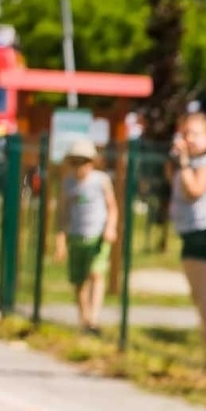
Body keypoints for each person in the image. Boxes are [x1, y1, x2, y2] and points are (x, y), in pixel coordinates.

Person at [170, 112, 206, 364]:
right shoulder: (190, 162)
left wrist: (183, 163)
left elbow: (194, 190)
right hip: (190, 232)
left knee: (202, 296)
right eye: (186, 134)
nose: (189, 139)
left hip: (204, 232)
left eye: (195, 134)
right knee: (199, 295)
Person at [54, 139, 118, 335]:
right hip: (76, 236)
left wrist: (110, 228)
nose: (80, 166)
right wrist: (60, 240)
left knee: (96, 273)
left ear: (91, 162)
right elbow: (62, 213)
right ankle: (84, 319)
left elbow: (112, 207)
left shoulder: (101, 180)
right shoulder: (68, 183)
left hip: (97, 236)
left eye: (83, 161)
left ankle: (94, 320)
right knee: (79, 280)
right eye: (75, 162)